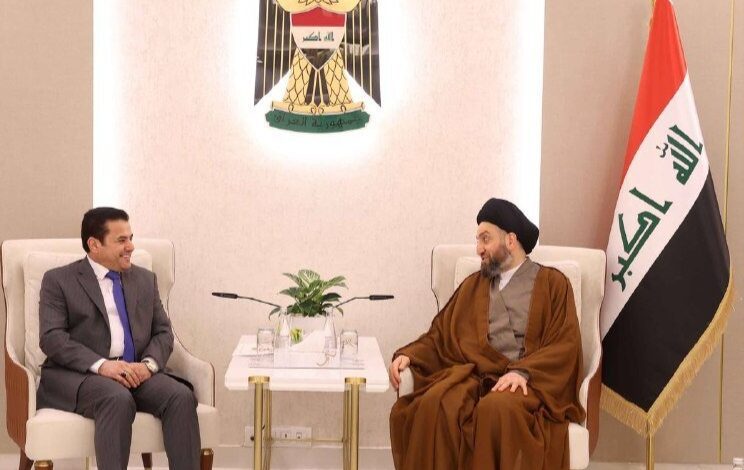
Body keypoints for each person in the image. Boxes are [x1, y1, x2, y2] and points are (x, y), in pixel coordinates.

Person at [389, 198, 584, 470]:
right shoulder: (473, 285)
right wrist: (410, 355)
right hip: (476, 377)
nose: (478, 249)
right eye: (477, 240)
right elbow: (440, 335)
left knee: (496, 409)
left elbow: (566, 343)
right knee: (435, 403)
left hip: (527, 382)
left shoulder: (554, 283)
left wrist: (523, 372)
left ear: (511, 240)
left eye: (485, 239)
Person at [37, 207, 201, 470]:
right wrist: (103, 366)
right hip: (83, 375)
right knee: (116, 398)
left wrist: (148, 366)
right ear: (94, 244)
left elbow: (163, 332)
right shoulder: (59, 280)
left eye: (131, 238)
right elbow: (52, 338)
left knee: (180, 396)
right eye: (121, 240)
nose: (131, 246)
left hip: (136, 372)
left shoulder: (145, 280)